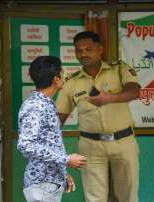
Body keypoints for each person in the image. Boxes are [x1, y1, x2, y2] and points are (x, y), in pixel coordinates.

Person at [56, 31, 141, 202]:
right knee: (95, 199)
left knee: (128, 197)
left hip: (123, 142)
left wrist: (109, 98)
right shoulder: (72, 82)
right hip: (91, 146)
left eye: (88, 49)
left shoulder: (119, 70)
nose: (83, 54)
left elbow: (134, 91)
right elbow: (59, 119)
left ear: (100, 49)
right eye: (79, 50)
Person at [17, 56, 87, 202]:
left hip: (48, 183)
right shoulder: (35, 106)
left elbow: (48, 143)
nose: (65, 75)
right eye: (62, 72)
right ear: (56, 79)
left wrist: (62, 173)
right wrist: (65, 160)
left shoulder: (45, 103)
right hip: (42, 185)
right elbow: (26, 145)